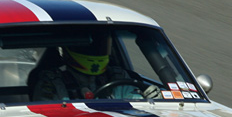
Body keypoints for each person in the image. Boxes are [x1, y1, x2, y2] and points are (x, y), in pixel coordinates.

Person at [30, 34, 161, 102]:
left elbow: (136, 105)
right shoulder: (52, 81)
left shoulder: (118, 76)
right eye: (87, 47)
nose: (95, 51)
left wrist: (152, 100)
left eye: (101, 46)